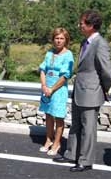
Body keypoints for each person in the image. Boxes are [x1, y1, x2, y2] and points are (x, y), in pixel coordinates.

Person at [53, 10, 111, 172]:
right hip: (80, 91)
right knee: (76, 125)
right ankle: (72, 154)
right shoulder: (84, 42)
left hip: (91, 92)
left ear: (91, 25)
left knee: (88, 128)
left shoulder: (100, 44)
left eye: (82, 23)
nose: (79, 25)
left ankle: (85, 161)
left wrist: (103, 88)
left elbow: (107, 72)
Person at [38, 28, 74, 156]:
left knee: (58, 117)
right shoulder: (49, 53)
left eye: (61, 38)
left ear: (66, 40)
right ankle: (48, 139)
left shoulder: (68, 54)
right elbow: (43, 69)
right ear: (53, 39)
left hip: (58, 89)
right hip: (46, 88)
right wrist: (43, 85)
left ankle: (57, 143)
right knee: (48, 115)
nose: (58, 41)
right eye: (56, 38)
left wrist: (52, 88)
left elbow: (65, 75)